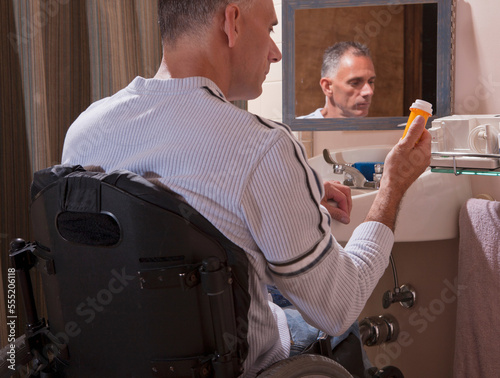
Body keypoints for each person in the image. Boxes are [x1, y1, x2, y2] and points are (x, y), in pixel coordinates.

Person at [61, 1, 431, 377]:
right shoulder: (262, 145)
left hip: (119, 359)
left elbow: (157, 214)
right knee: (341, 320)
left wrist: (291, 199)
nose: (276, 52)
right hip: (232, 363)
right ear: (232, 22)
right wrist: (392, 186)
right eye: (270, 29)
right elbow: (338, 305)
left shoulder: (85, 130)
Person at [300, 41, 376, 119]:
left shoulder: (379, 129)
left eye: (370, 82)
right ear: (327, 87)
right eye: (355, 83)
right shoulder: (295, 130)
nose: (369, 92)